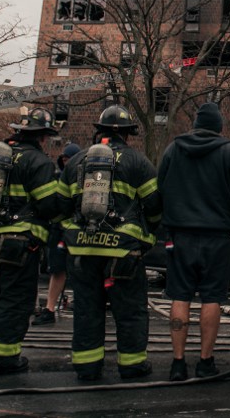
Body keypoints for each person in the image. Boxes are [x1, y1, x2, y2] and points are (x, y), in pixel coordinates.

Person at [59, 105, 161, 381]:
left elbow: (59, 206)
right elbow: (154, 206)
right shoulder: (138, 162)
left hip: (81, 250)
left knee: (86, 310)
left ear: (98, 131)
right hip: (123, 252)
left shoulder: (76, 162)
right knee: (129, 311)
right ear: (127, 134)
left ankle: (87, 367)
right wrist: (146, 237)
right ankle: (131, 365)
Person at [0, 108, 60, 375]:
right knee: (14, 300)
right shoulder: (38, 162)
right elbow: (48, 204)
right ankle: (4, 358)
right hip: (20, 243)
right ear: (42, 137)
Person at [157, 102, 230, 381]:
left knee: (180, 296)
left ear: (195, 125)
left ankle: (178, 362)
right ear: (219, 127)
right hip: (216, 237)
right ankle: (206, 361)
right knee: (212, 298)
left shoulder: (173, 149)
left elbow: (160, 187)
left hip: (179, 235)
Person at [33, 142, 80, 326]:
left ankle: (79, 303)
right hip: (60, 231)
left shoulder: (77, 179)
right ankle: (50, 309)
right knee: (57, 270)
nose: (66, 162)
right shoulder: (58, 178)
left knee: (80, 270)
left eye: (69, 159)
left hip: (73, 232)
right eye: (64, 159)